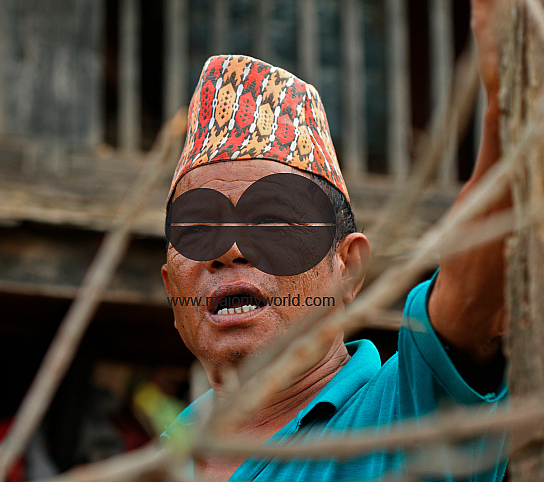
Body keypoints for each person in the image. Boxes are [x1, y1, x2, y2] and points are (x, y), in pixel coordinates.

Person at [160, 0, 508, 480]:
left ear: (348, 268)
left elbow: (472, 297)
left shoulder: (402, 412)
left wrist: (505, 117)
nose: (228, 250)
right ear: (169, 289)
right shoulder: (157, 462)